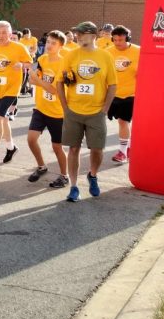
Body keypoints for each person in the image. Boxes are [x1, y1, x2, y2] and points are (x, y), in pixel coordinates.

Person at [58, 21, 117, 202]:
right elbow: (60, 81)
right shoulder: (71, 55)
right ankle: (74, 187)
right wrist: (65, 107)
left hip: (96, 112)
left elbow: (112, 85)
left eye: (81, 34)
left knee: (97, 149)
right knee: (73, 148)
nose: (77, 36)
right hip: (73, 111)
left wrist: (105, 109)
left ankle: (92, 175)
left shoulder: (105, 56)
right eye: (77, 34)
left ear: (92, 36)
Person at [25, 30, 70, 189]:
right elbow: (32, 79)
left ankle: (64, 176)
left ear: (60, 46)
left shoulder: (63, 63)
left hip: (57, 112)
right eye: (48, 42)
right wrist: (38, 81)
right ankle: (42, 166)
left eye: (53, 43)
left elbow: (54, 91)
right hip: (41, 108)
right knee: (31, 139)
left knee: (57, 147)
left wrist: (38, 81)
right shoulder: (42, 58)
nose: (49, 45)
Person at [0, 20, 32, 165]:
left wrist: (22, 65)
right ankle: (11, 147)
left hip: (11, 88)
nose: (1, 35)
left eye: (4, 32)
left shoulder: (19, 47)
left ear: (10, 34)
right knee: (3, 119)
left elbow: (30, 63)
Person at [107, 25, 140, 164]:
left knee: (123, 121)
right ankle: (129, 147)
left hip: (132, 93)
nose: (118, 43)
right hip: (114, 93)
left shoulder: (138, 51)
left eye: (120, 40)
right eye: (115, 40)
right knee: (121, 122)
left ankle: (122, 152)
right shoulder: (108, 52)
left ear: (128, 38)